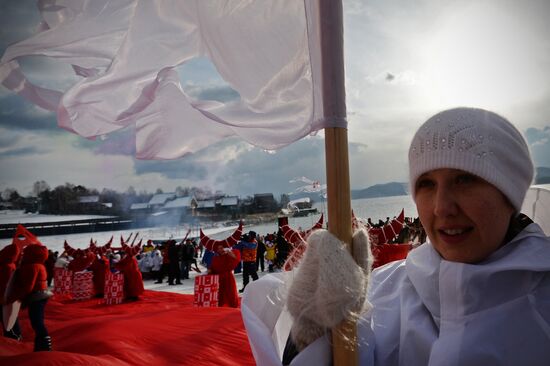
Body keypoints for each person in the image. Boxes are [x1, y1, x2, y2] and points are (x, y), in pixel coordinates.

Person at [242, 107, 550, 365]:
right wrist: (313, 336)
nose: (442, 207)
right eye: (426, 184)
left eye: (465, 179)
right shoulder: (379, 293)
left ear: (510, 195)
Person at [5, 244, 53, 352]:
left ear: (31, 254)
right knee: (37, 321)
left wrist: (12, 298)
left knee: (37, 322)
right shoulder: (39, 265)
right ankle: (42, 345)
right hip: (41, 296)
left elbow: (28, 287)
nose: (23, 254)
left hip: (36, 297)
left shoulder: (31, 266)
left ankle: (44, 347)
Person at [0, 243, 22, 341]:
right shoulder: (11, 264)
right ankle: (15, 338)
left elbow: (4, 285)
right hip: (10, 298)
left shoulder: (5, 266)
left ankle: (12, 339)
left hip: (4, 298)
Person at [208, 243, 241, 308]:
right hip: (218, 279)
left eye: (221, 248)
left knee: (231, 293)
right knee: (220, 294)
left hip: (228, 278)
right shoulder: (215, 258)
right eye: (218, 248)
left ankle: (232, 305)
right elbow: (212, 268)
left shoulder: (229, 255)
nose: (220, 250)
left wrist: (230, 253)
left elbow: (236, 259)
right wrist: (209, 271)